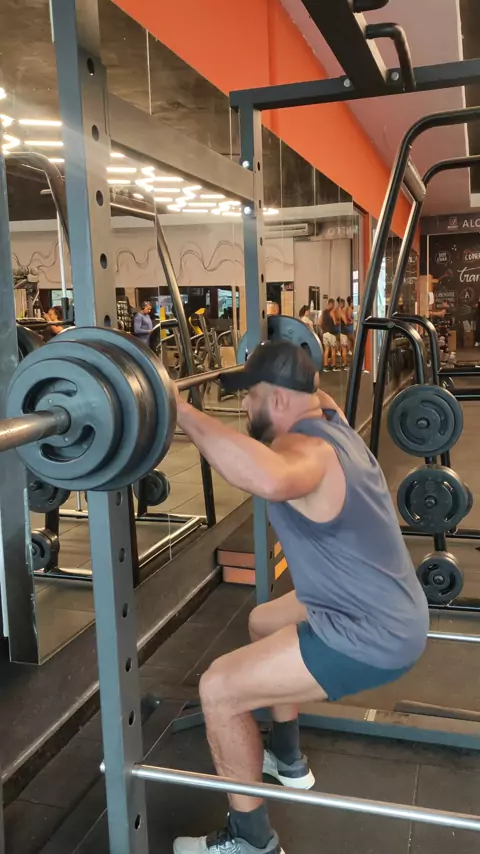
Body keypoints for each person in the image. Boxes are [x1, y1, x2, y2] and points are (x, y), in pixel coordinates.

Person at [173, 340, 429, 854]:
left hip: (368, 631)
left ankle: (251, 841)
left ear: (280, 400)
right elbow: (315, 393)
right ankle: (287, 759)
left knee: (219, 688)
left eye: (251, 397)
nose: (245, 406)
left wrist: (175, 409)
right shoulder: (332, 420)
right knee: (264, 622)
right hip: (380, 602)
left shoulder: (308, 452)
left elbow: (266, 476)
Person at [318, 298, 339, 371]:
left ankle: (325, 365)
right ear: (331, 304)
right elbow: (335, 322)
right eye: (333, 304)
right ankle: (333, 365)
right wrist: (338, 322)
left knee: (326, 349)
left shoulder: (323, 312)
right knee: (333, 349)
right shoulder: (332, 312)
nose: (334, 306)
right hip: (331, 333)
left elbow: (319, 323)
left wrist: (323, 329)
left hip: (325, 333)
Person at [338, 298, 349, 370]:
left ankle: (342, 363)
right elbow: (345, 322)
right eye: (344, 304)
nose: (344, 305)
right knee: (344, 348)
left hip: (338, 332)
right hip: (343, 332)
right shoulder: (342, 312)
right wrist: (349, 321)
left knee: (341, 348)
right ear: (341, 304)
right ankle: (345, 364)